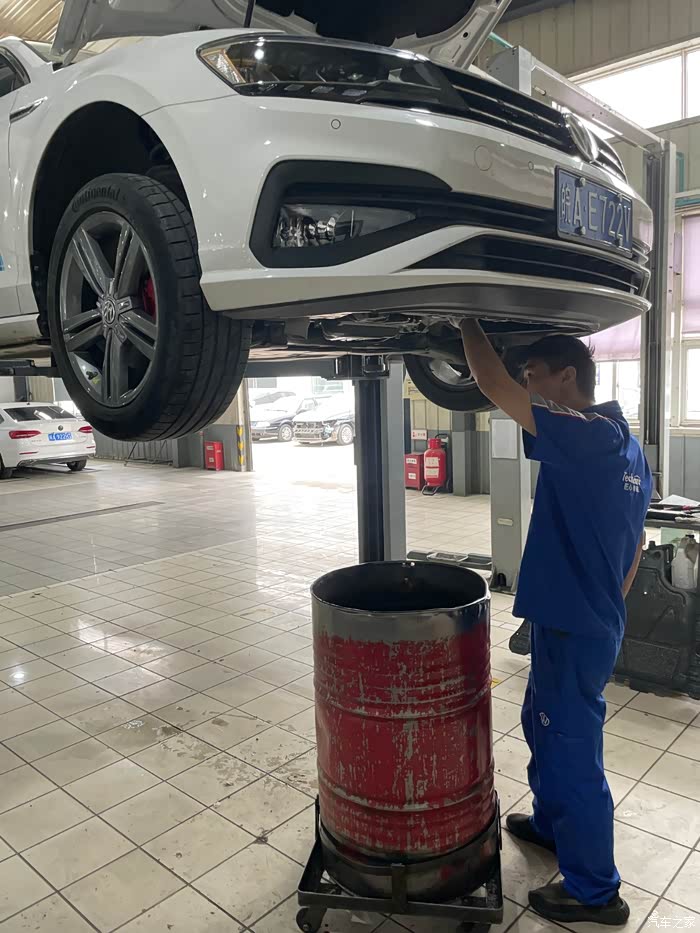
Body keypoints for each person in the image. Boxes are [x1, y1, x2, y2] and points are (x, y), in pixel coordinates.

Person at [457, 321, 653, 926]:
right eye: (525, 377)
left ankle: (595, 892)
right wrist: (604, 601)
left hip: (574, 626)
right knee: (541, 725)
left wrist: (463, 317)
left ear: (567, 376)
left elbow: (490, 384)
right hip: (577, 617)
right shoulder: (626, 444)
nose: (527, 387)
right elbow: (637, 541)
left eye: (533, 376)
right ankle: (550, 825)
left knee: (571, 751)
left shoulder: (586, 433)